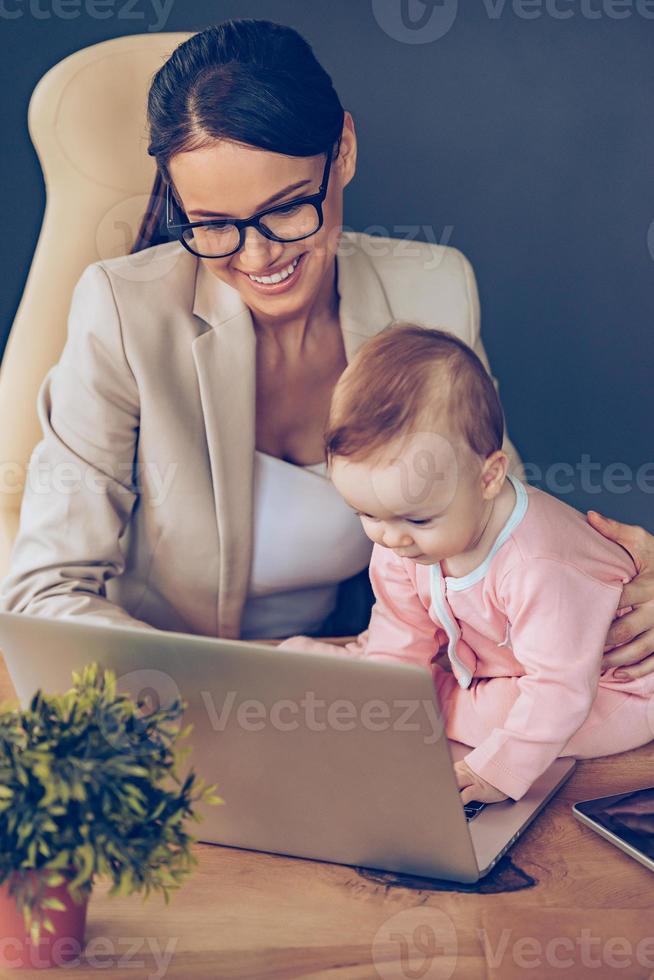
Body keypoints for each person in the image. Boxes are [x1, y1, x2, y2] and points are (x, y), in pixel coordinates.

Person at [1, 19, 653, 679]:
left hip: (347, 679)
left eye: (286, 209)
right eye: (214, 225)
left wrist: (615, 573)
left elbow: (494, 529)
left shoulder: (431, 289)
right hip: (156, 696)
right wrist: (232, 689)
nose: (258, 256)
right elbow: (44, 596)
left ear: (341, 151)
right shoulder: (123, 312)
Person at [279, 324, 654, 804]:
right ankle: (371, 682)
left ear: (490, 477)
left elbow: (560, 690)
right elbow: (403, 629)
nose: (390, 537)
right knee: (398, 664)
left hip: (613, 684)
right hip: (501, 665)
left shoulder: (537, 564)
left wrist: (500, 771)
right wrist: (377, 701)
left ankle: (422, 697)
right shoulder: (403, 537)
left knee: (503, 712)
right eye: (366, 514)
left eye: (417, 518)